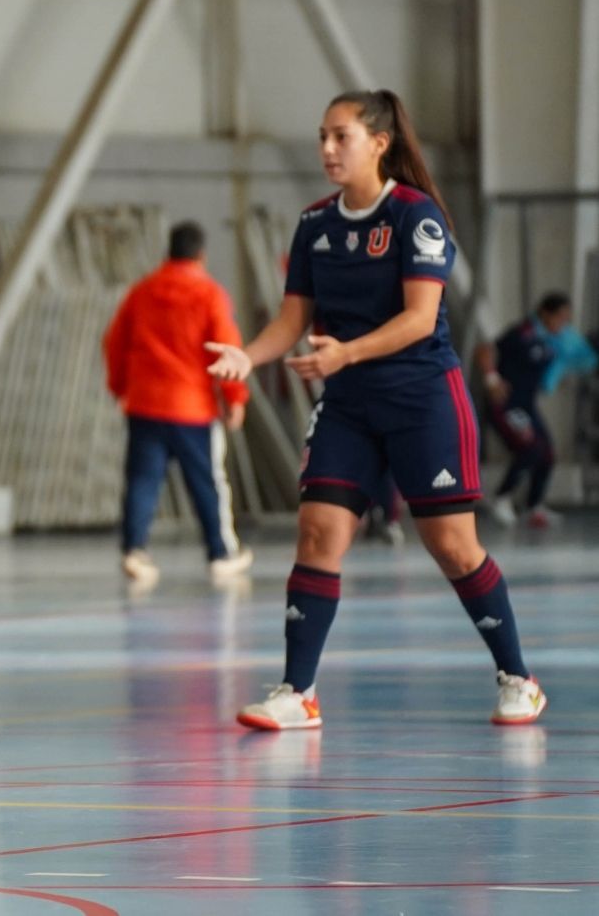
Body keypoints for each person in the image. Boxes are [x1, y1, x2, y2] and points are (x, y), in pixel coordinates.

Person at [206, 89, 547, 729]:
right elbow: (291, 321)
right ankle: (298, 692)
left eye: (342, 137)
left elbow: (420, 320)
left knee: (452, 546)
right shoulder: (314, 225)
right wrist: (248, 357)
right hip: (350, 406)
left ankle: (518, 677)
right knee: (318, 534)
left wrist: (346, 354)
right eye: (323, 137)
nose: (328, 149)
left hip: (422, 400)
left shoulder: (417, 216)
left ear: (379, 144)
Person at [103, 220, 253, 586]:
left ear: (168, 251)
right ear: (201, 254)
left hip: (145, 404)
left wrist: (121, 387)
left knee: (142, 482)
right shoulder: (209, 294)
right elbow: (226, 349)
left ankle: (134, 552)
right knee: (206, 483)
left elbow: (114, 342)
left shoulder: (141, 291)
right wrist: (235, 397)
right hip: (192, 408)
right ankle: (219, 554)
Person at [478, 291, 597, 530]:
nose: (562, 323)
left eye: (566, 319)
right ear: (545, 313)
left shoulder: (554, 340)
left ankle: (534, 506)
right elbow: (485, 350)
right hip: (507, 405)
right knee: (531, 448)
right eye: (560, 318)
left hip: (527, 406)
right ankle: (501, 498)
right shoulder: (522, 333)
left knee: (548, 453)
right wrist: (491, 379)